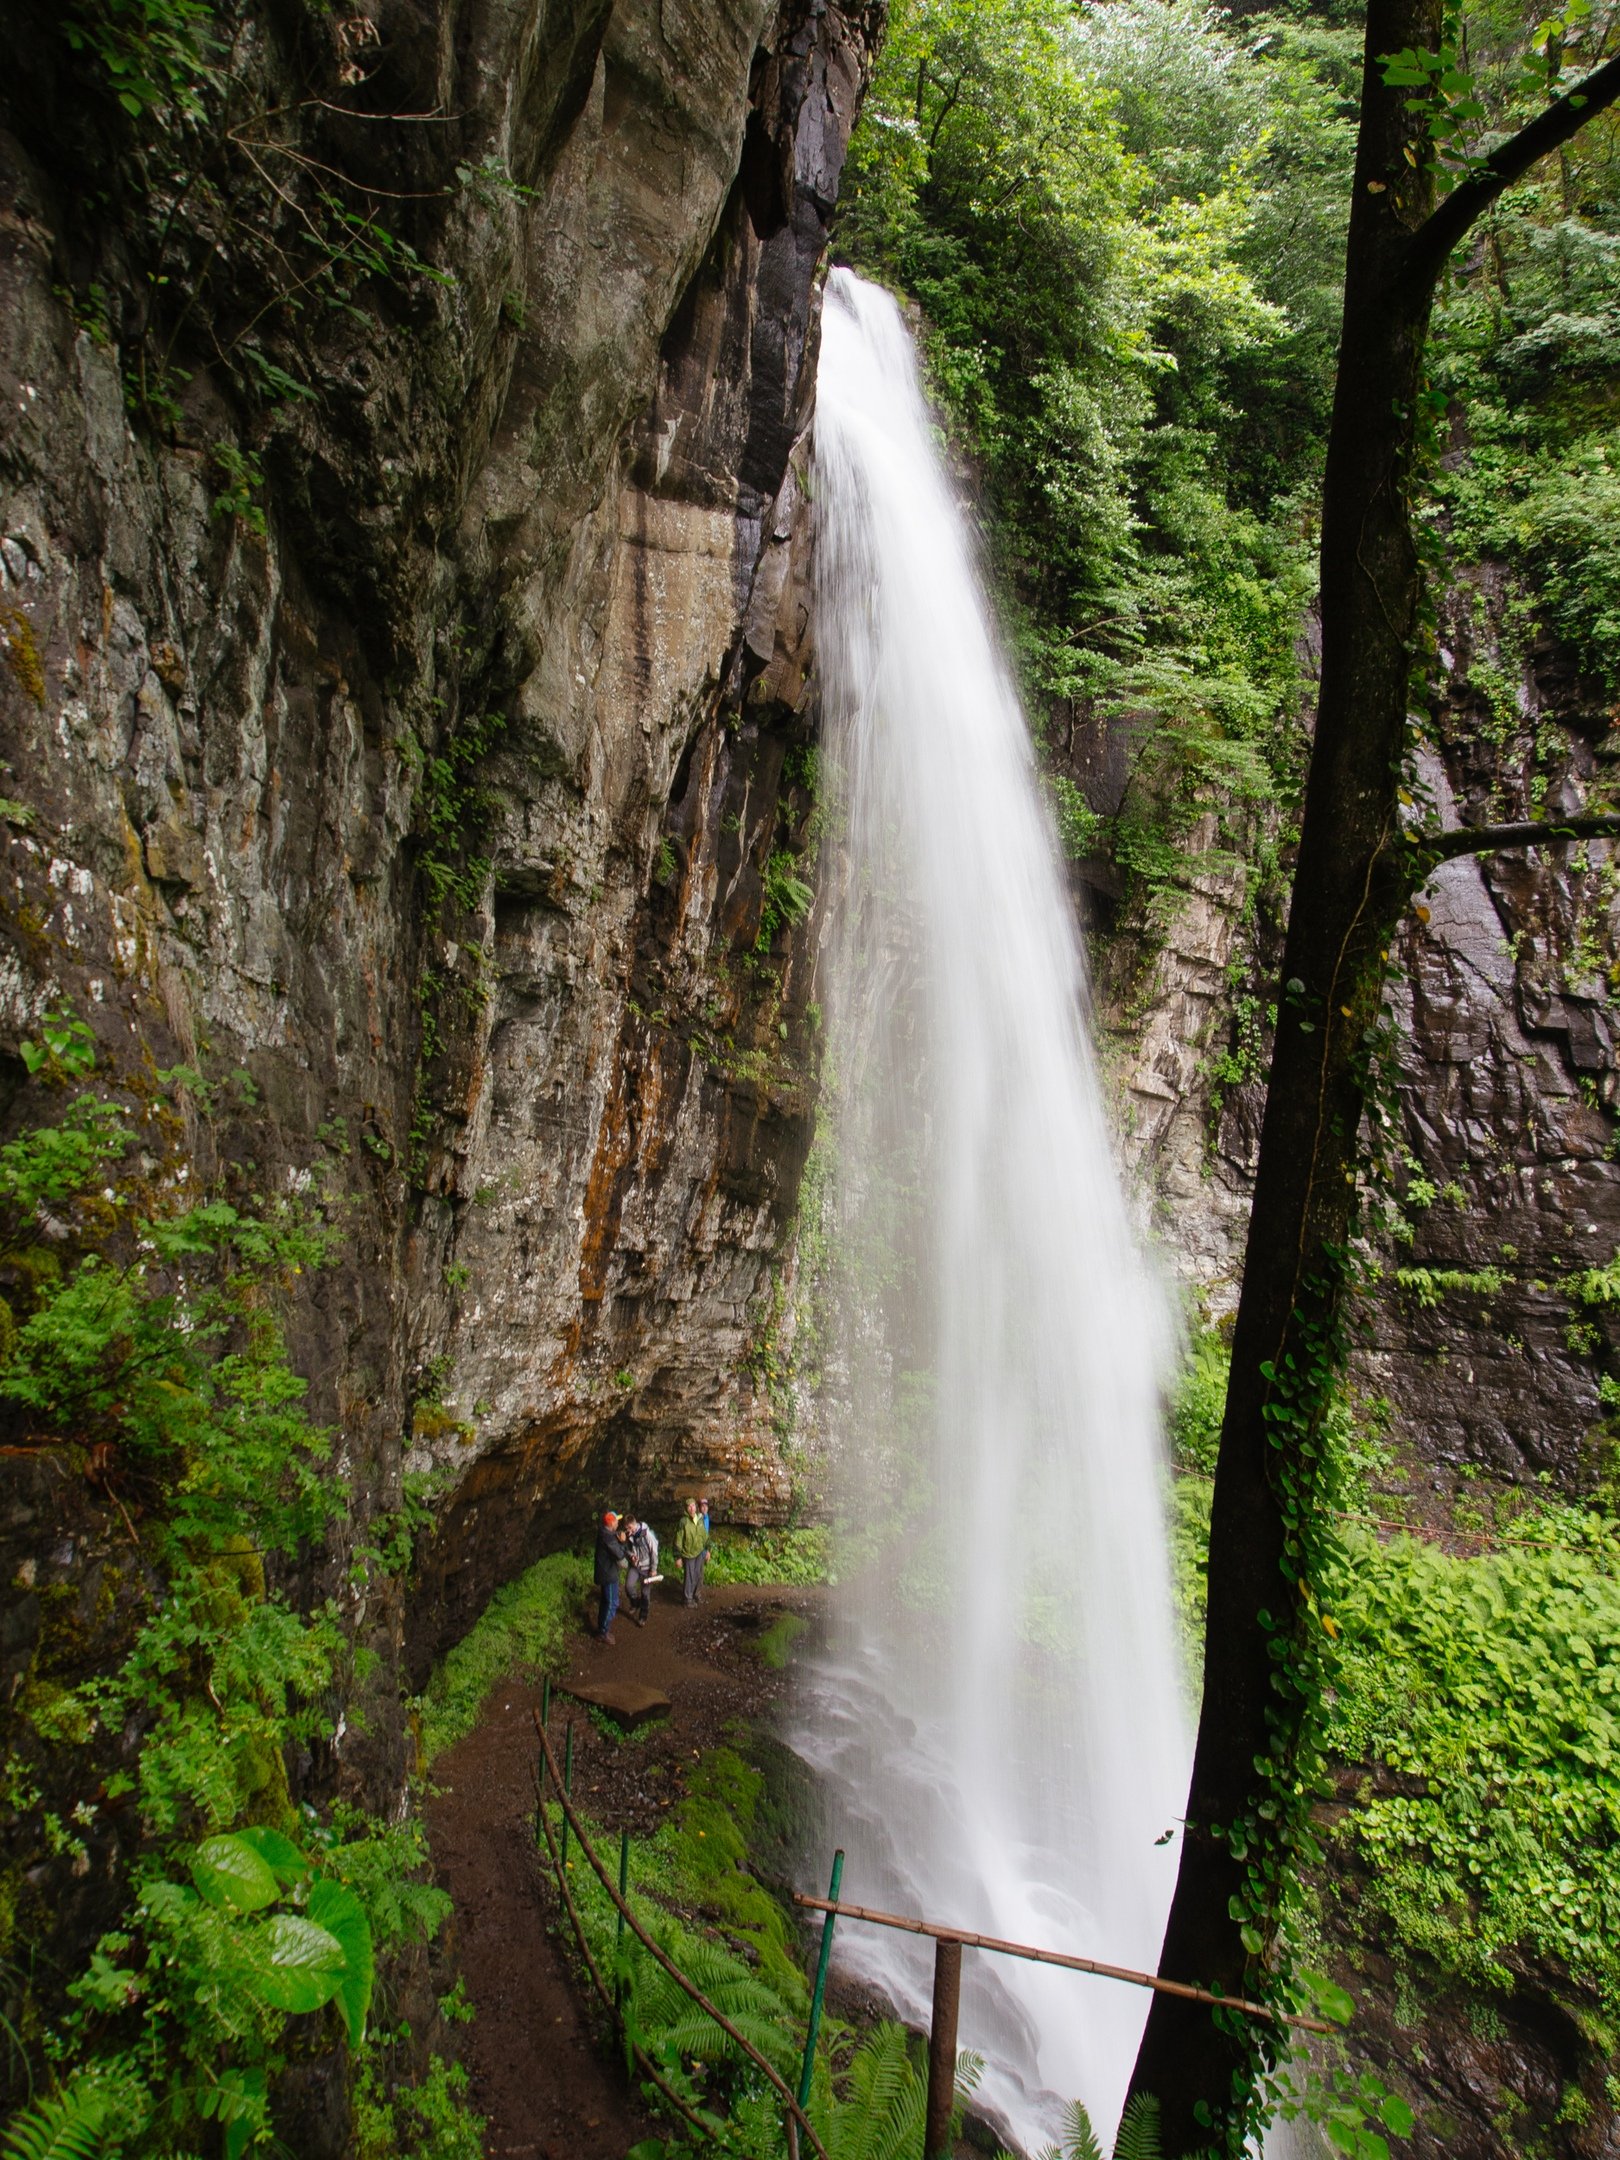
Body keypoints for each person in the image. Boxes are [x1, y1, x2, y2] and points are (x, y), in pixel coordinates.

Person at [593, 1510, 626, 1642]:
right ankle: (603, 1632)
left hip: (606, 1572)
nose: (618, 1522)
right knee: (612, 1603)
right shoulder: (608, 1537)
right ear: (611, 1523)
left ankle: (602, 1628)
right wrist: (622, 1542)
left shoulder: (605, 1532)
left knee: (605, 1601)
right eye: (616, 1520)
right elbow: (619, 1555)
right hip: (608, 1574)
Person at [623, 1512, 660, 1628]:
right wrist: (631, 1556)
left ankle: (643, 1616)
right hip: (635, 1566)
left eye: (630, 1528)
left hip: (646, 1568)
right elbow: (626, 1549)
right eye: (626, 1528)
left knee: (645, 1593)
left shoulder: (647, 1534)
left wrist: (653, 1569)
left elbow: (654, 1552)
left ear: (634, 1524)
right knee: (628, 1586)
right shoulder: (629, 1535)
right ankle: (635, 1603)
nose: (629, 1530)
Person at [674, 1496, 709, 1607]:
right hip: (688, 1553)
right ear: (686, 1509)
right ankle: (687, 1599)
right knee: (689, 1576)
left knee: (697, 1574)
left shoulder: (700, 1519)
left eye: (693, 1505)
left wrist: (708, 1549)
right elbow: (678, 1539)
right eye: (689, 1506)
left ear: (696, 1507)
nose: (692, 1508)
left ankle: (693, 1595)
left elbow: (705, 1535)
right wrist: (677, 1556)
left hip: (699, 1551)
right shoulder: (683, 1522)